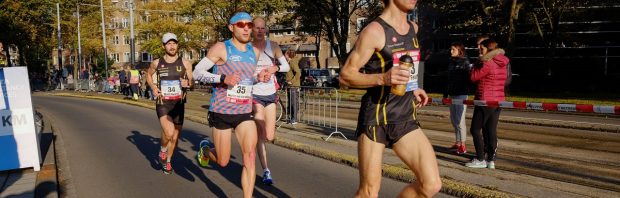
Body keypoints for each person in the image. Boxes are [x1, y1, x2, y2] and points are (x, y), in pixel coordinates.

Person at [339, 0, 442, 197]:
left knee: (431, 184)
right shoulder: (374, 31)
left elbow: (406, 64)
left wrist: (414, 87)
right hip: (376, 118)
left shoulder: (414, 28)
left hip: (405, 116)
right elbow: (345, 75)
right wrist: (384, 78)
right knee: (368, 192)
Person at [193, 12, 266, 198]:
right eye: (241, 24)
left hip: (244, 111)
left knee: (249, 157)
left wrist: (259, 78)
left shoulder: (254, 52)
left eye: (249, 25)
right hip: (221, 111)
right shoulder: (221, 48)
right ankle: (206, 150)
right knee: (223, 161)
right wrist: (223, 78)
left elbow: (246, 82)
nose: (246, 28)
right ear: (231, 27)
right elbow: (197, 73)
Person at [146, 32, 193, 174]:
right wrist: (153, 87)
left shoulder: (186, 63)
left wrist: (188, 83)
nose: (172, 46)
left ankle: (168, 161)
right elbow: (148, 75)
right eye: (169, 44)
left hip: (179, 104)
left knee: (175, 137)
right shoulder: (156, 63)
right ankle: (162, 149)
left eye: (174, 43)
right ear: (163, 46)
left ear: (177, 45)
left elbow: (192, 83)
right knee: (169, 132)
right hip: (163, 103)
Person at [250, 17, 290, 185]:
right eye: (256, 28)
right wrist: (257, 77)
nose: (260, 30)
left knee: (269, 135)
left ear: (266, 29)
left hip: (270, 95)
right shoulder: (247, 49)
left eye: (262, 28)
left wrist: (276, 68)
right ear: (252, 29)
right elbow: (244, 74)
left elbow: (286, 66)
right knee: (259, 126)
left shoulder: (273, 46)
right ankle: (266, 170)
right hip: (255, 94)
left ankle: (254, 134)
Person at [465, 37, 509, 169]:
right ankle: (491, 160)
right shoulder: (502, 61)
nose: (479, 50)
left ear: (488, 49)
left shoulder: (487, 63)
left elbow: (473, 77)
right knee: (491, 130)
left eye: (481, 48)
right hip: (498, 100)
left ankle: (480, 159)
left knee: (475, 129)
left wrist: (477, 63)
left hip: (484, 100)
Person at [444, 42, 471, 154]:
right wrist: (446, 93)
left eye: (453, 49)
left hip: (461, 94)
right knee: (453, 119)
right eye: (451, 49)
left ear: (460, 51)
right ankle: (458, 142)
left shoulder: (465, 62)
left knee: (460, 120)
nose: (451, 51)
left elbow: (468, 79)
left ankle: (463, 144)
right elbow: (448, 79)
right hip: (452, 94)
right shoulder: (450, 62)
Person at [284, 49, 300, 124]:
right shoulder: (289, 62)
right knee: (290, 102)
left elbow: (298, 73)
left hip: (294, 86)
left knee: (294, 102)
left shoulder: (293, 62)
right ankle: (291, 117)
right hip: (290, 86)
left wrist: (292, 81)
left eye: (285, 54)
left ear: (288, 55)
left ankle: (295, 119)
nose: (284, 56)